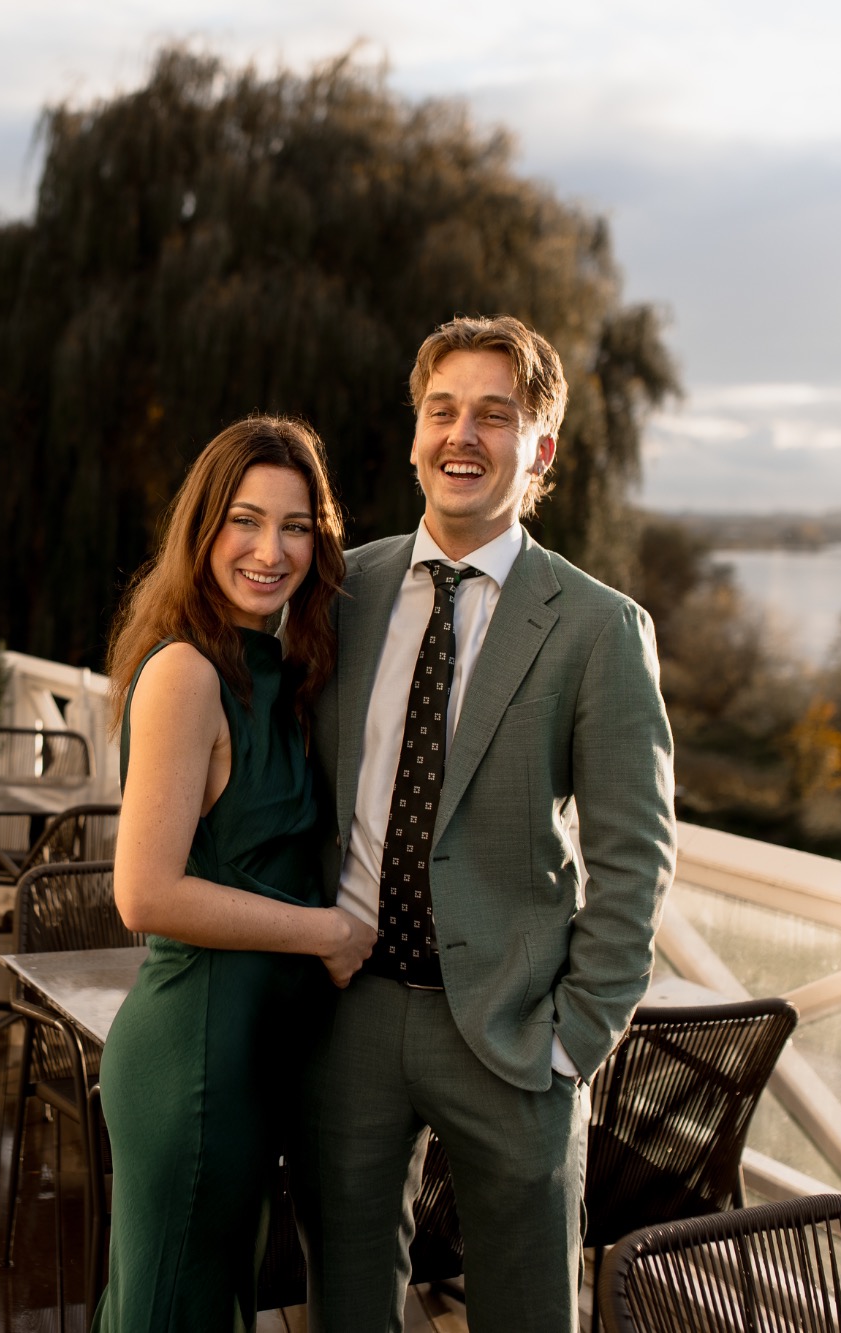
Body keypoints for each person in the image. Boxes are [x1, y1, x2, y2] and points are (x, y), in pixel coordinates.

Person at [298, 315, 676, 1333]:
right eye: (443, 410)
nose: (462, 435)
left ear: (539, 449)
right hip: (348, 1014)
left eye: (495, 416)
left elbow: (634, 857)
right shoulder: (340, 591)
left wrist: (574, 1038)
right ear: (415, 436)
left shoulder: (597, 626)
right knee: (343, 1305)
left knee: (526, 1312)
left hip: (514, 1031)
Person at [97, 416, 374, 1332]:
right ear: (203, 527)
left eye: (296, 527)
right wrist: (326, 930)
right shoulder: (187, 671)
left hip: (250, 1061)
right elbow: (145, 893)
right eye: (245, 521)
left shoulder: (279, 670)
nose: (269, 550)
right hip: (196, 1063)